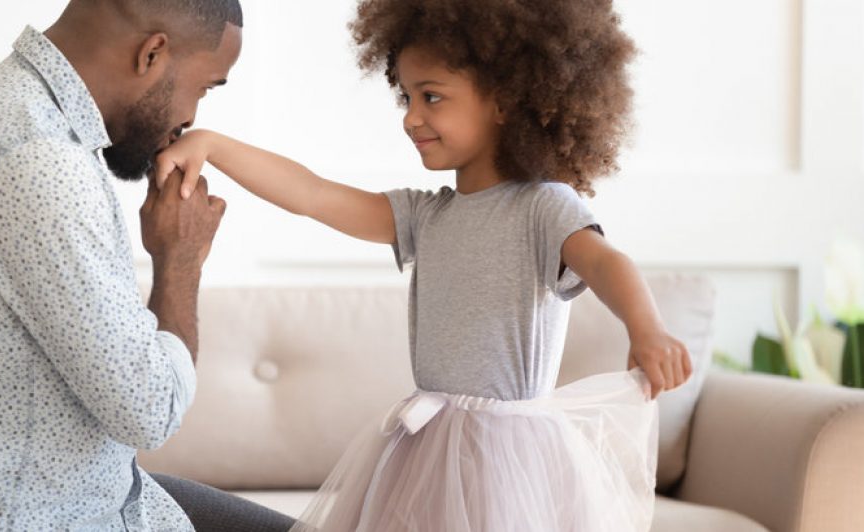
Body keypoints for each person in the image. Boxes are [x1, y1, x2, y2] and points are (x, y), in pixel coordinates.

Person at [153, 0, 691, 530]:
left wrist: (647, 329)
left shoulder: (543, 208)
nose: (411, 117)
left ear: (506, 100)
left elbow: (604, 262)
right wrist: (214, 144)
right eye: (407, 97)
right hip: (423, 448)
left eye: (431, 97)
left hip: (509, 458)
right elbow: (313, 194)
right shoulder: (426, 215)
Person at [0, 0, 293, 529]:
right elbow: (150, 409)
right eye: (205, 86)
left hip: (67, 493)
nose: (192, 116)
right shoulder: (42, 162)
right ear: (152, 53)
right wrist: (180, 260)